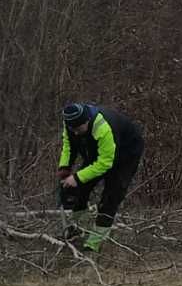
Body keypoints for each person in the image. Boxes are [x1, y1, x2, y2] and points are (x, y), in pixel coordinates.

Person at [56, 101, 145, 253]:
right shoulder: (70, 123)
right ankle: (79, 230)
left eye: (78, 129)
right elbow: (69, 145)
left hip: (126, 153)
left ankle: (93, 245)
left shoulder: (103, 127)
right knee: (77, 190)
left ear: (87, 121)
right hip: (99, 151)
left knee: (110, 198)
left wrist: (77, 177)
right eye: (73, 129)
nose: (75, 132)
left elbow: (105, 163)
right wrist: (65, 168)